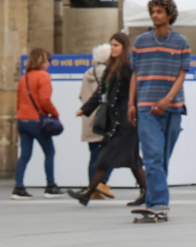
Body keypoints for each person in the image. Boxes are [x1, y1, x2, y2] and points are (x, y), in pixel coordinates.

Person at [69, 32, 150, 207]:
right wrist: (85, 109)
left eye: (116, 45)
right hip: (116, 121)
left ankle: (88, 193)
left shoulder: (128, 67)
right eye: (111, 45)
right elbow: (100, 93)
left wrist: (135, 111)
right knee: (133, 160)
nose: (113, 48)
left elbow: (136, 92)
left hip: (128, 121)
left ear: (124, 47)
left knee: (106, 158)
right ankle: (146, 191)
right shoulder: (110, 68)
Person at [130, 0, 192, 220]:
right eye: (152, 12)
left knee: (162, 159)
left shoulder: (181, 42)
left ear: (169, 15)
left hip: (173, 107)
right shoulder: (140, 42)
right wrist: (131, 103)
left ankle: (152, 201)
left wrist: (167, 100)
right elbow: (135, 74)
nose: (155, 15)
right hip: (146, 106)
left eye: (159, 12)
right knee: (153, 156)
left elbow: (181, 75)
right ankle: (159, 203)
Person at [10, 48, 63, 199]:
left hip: (22, 120)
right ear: (42, 61)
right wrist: (55, 113)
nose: (49, 64)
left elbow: (19, 101)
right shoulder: (44, 76)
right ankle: (50, 186)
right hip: (37, 121)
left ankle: (18, 187)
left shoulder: (24, 78)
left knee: (25, 155)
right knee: (49, 152)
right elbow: (45, 99)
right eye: (48, 61)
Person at [77, 43, 113, 198]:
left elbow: (81, 96)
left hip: (89, 118)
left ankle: (92, 188)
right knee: (110, 153)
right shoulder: (109, 73)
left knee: (94, 155)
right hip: (105, 119)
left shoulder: (88, 73)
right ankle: (101, 183)